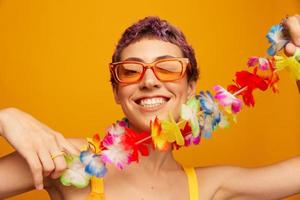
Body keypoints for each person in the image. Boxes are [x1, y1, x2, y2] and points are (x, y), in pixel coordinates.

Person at [0, 15, 299, 200]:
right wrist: (3, 119)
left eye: (168, 68)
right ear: (117, 91)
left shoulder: (212, 186)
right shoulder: (67, 160)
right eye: (131, 71)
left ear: (191, 87)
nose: (149, 80)